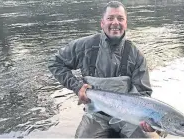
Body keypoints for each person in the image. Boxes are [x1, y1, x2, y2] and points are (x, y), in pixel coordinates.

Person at [48, 1, 158, 138]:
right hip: (96, 115)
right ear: (102, 23)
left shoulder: (136, 55)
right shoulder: (85, 46)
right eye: (110, 18)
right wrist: (77, 87)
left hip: (129, 118)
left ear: (126, 23)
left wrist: (148, 120)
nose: (115, 23)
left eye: (120, 18)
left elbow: (143, 93)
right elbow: (55, 63)